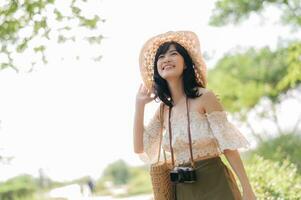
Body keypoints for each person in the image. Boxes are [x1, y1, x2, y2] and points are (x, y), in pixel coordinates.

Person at [133, 31, 256, 200]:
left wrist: (247, 189)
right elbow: (139, 148)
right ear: (157, 68)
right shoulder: (164, 110)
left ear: (185, 64)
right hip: (183, 188)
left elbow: (228, 146)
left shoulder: (205, 97)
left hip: (216, 182)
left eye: (173, 54)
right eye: (161, 57)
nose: (166, 59)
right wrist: (139, 106)